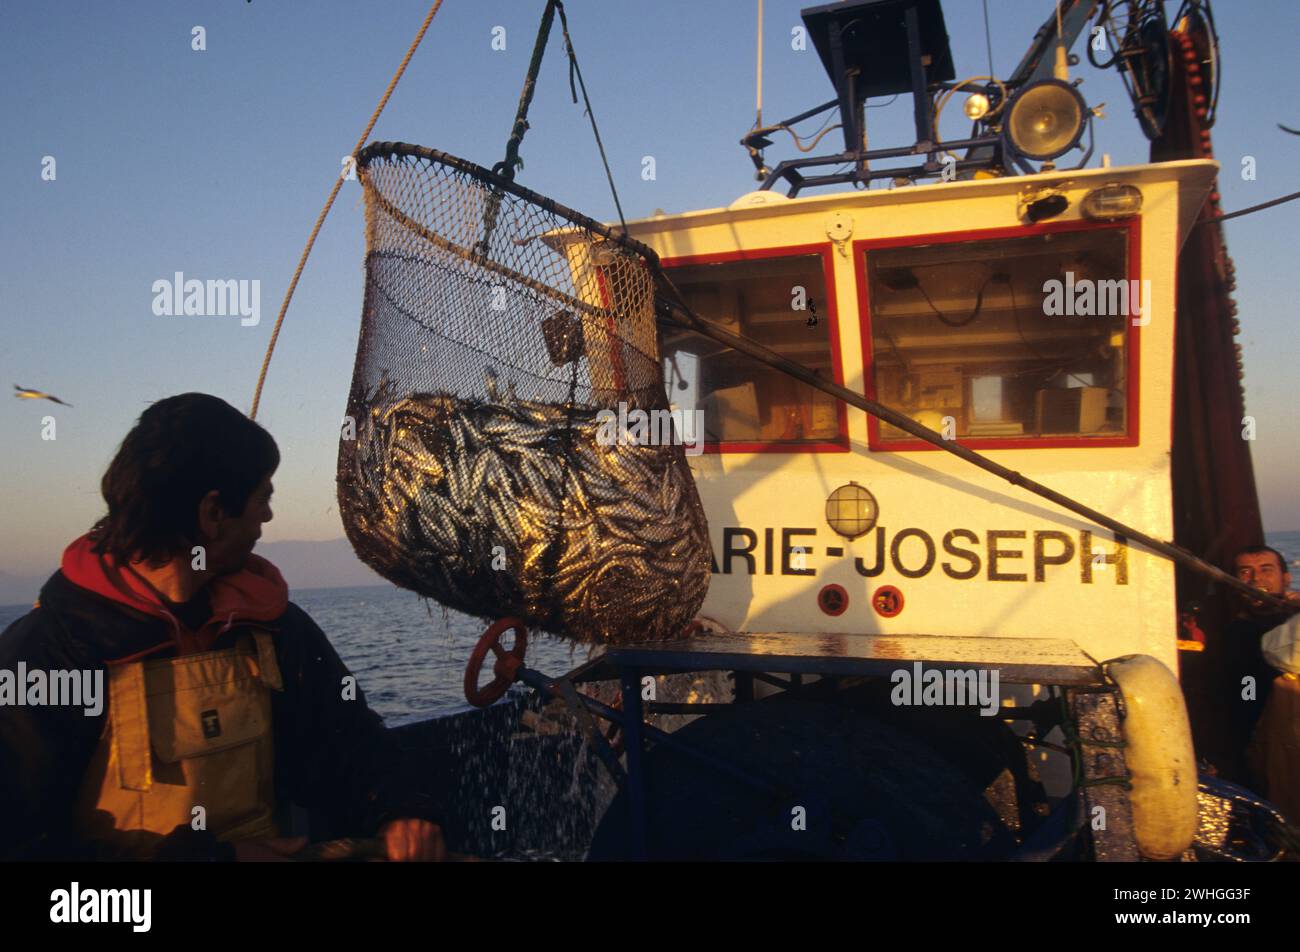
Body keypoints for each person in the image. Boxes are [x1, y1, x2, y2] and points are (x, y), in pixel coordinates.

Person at [0, 393, 445, 861]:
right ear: (212, 514)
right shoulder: (48, 654)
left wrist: (400, 809)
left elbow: (349, 739)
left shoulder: (272, 628)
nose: (267, 516)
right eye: (262, 498)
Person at [1208, 546, 1300, 784]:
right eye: (1245, 572)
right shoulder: (1236, 632)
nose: (1256, 579)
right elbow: (1244, 693)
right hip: (1261, 732)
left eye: (1266, 570)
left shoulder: (1292, 620)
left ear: (1286, 579)